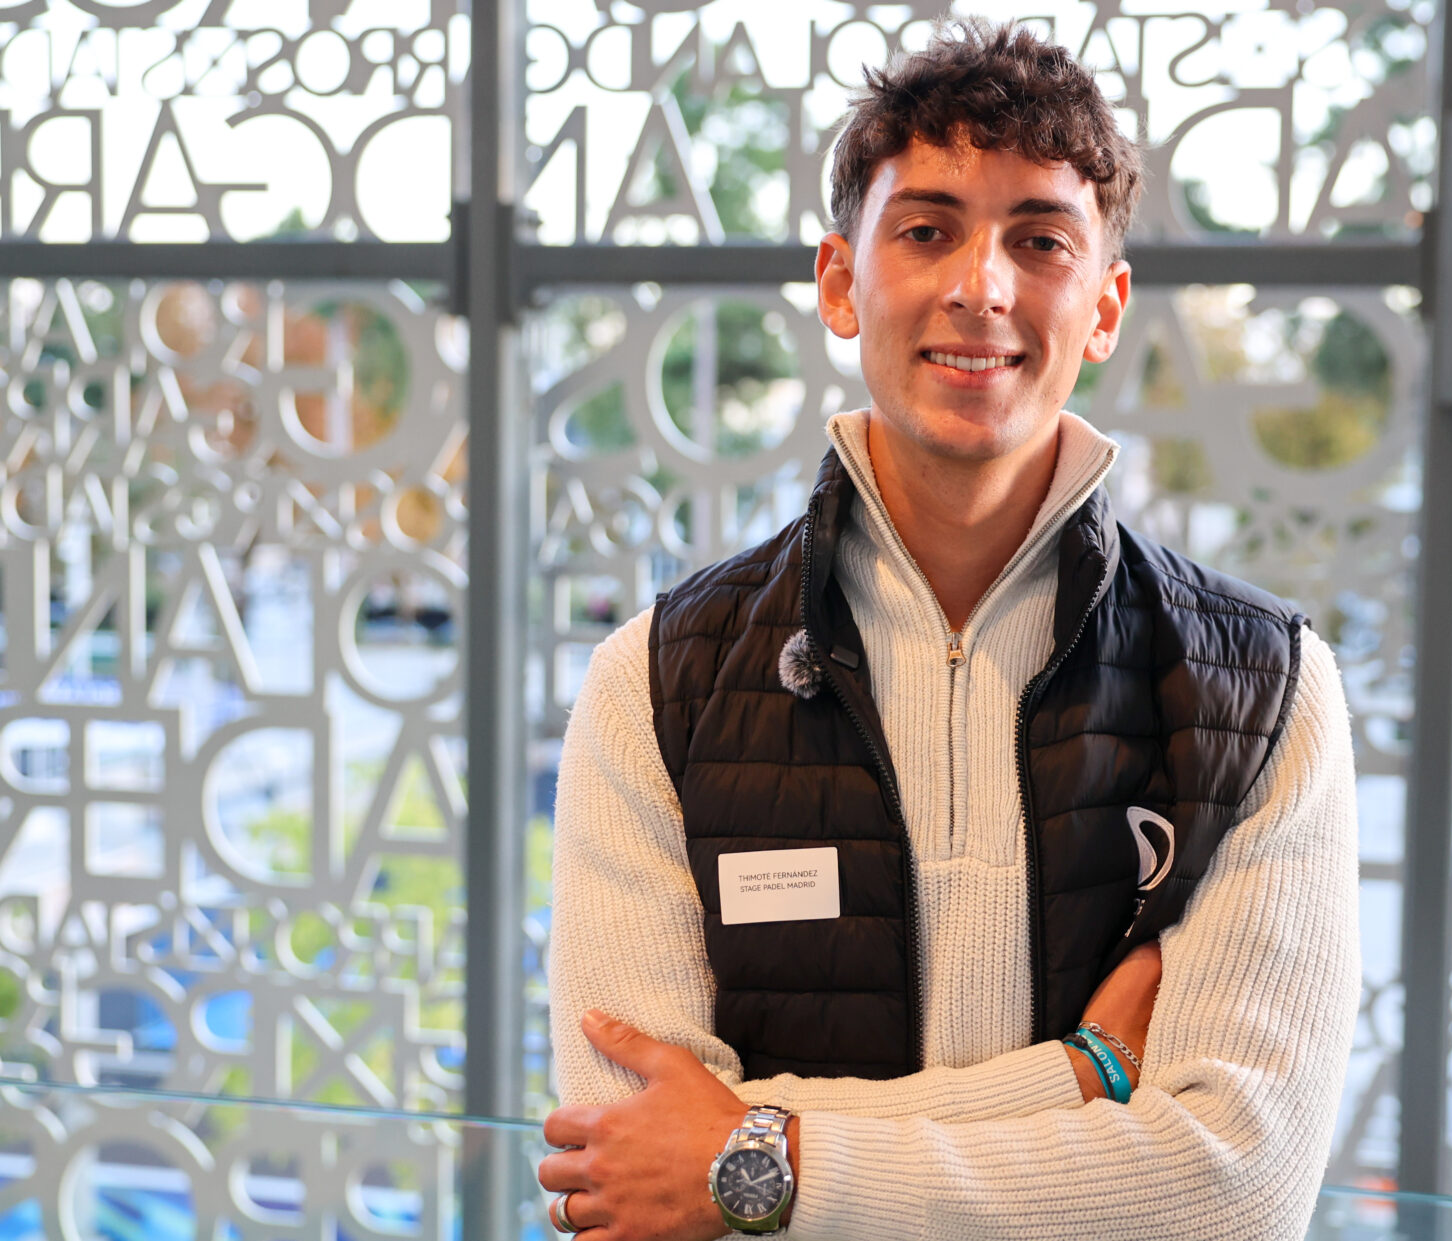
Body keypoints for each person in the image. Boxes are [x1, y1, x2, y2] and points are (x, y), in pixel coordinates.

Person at [537, 20, 1360, 1240]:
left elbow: (1233, 1195)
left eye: (1039, 239)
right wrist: (1080, 1077)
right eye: (926, 230)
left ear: (1104, 304)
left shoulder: (1263, 692)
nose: (981, 287)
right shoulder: (655, 683)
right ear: (839, 282)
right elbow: (634, 1167)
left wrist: (755, 1163)